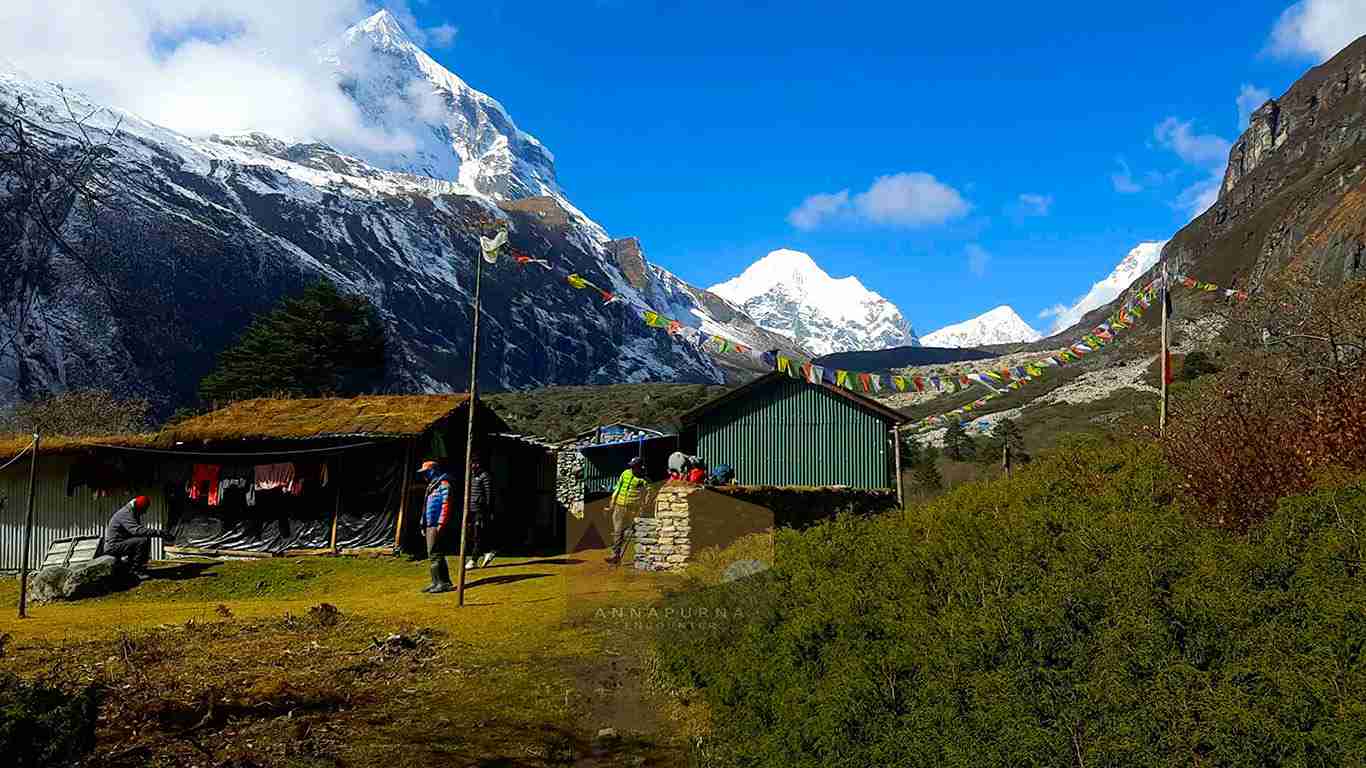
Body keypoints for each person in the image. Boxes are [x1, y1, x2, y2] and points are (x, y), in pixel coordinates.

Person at [103, 495, 174, 578]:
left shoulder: (132, 511)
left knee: (142, 539)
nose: (144, 512)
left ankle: (133, 568)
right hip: (113, 546)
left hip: (120, 543)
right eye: (143, 510)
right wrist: (159, 533)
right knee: (142, 541)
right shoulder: (126, 513)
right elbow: (137, 531)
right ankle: (136, 571)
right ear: (139, 508)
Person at [417, 460, 454, 594]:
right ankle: (436, 581)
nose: (424, 475)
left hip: (436, 524)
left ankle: (443, 583)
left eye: (426, 472)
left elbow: (446, 505)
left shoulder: (444, 485)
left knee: (435, 553)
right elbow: (425, 507)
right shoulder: (431, 486)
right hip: (429, 524)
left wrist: (441, 523)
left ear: (433, 470)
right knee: (432, 553)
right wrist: (423, 523)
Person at [607, 457, 648, 565]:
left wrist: (643, 506)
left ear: (640, 467)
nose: (633, 468)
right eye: (632, 466)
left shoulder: (643, 479)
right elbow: (618, 487)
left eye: (635, 466)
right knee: (618, 531)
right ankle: (615, 555)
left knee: (634, 532)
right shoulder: (625, 473)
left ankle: (644, 555)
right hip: (619, 507)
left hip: (633, 509)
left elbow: (647, 493)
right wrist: (613, 500)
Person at [465, 454, 497, 570]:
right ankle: (488, 551)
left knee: (478, 534)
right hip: (470, 509)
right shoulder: (471, 477)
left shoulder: (484, 476)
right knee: (472, 534)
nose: (472, 466)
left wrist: (488, 510)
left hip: (480, 510)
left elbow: (489, 495)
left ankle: (473, 559)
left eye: (474, 463)